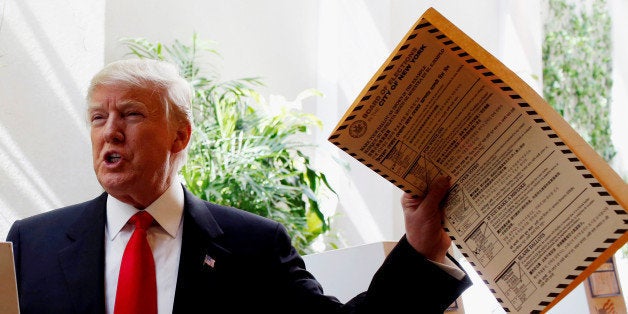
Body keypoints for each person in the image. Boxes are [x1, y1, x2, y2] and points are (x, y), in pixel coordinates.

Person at [6, 59, 472, 314]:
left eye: (130, 114)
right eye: (97, 118)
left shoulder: (254, 246)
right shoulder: (32, 243)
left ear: (180, 135)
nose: (110, 132)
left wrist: (419, 250)